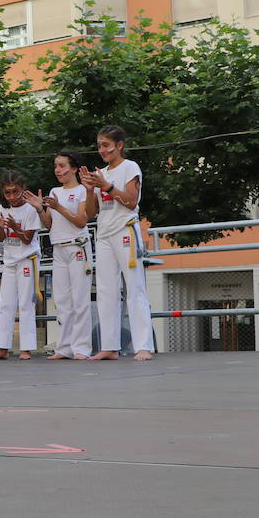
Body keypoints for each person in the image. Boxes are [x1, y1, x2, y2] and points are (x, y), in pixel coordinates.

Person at [80, 125, 156, 361]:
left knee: (134, 288)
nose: (102, 150)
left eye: (106, 145)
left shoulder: (129, 167)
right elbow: (91, 213)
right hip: (103, 234)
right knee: (105, 290)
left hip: (125, 231)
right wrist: (89, 189)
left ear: (119, 145)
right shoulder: (101, 173)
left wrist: (106, 186)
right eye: (99, 145)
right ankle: (110, 346)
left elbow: (131, 202)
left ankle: (143, 346)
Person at [38, 150, 93, 360]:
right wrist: (39, 209)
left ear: (74, 168)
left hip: (77, 247)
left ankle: (82, 348)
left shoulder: (81, 191)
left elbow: (81, 220)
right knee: (61, 301)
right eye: (56, 166)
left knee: (79, 299)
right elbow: (49, 223)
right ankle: (64, 347)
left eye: (62, 166)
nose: (58, 170)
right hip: (58, 248)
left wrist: (58, 206)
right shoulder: (54, 191)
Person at [0, 171, 40, 361]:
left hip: (27, 258)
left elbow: (28, 239)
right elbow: (1, 238)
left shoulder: (30, 210)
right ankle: (2, 347)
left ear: (23, 189)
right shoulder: (3, 208)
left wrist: (16, 228)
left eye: (15, 192)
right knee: (5, 304)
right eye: (7, 193)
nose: (11, 197)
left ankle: (26, 348)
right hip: (9, 260)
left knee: (26, 303)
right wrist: (1, 226)